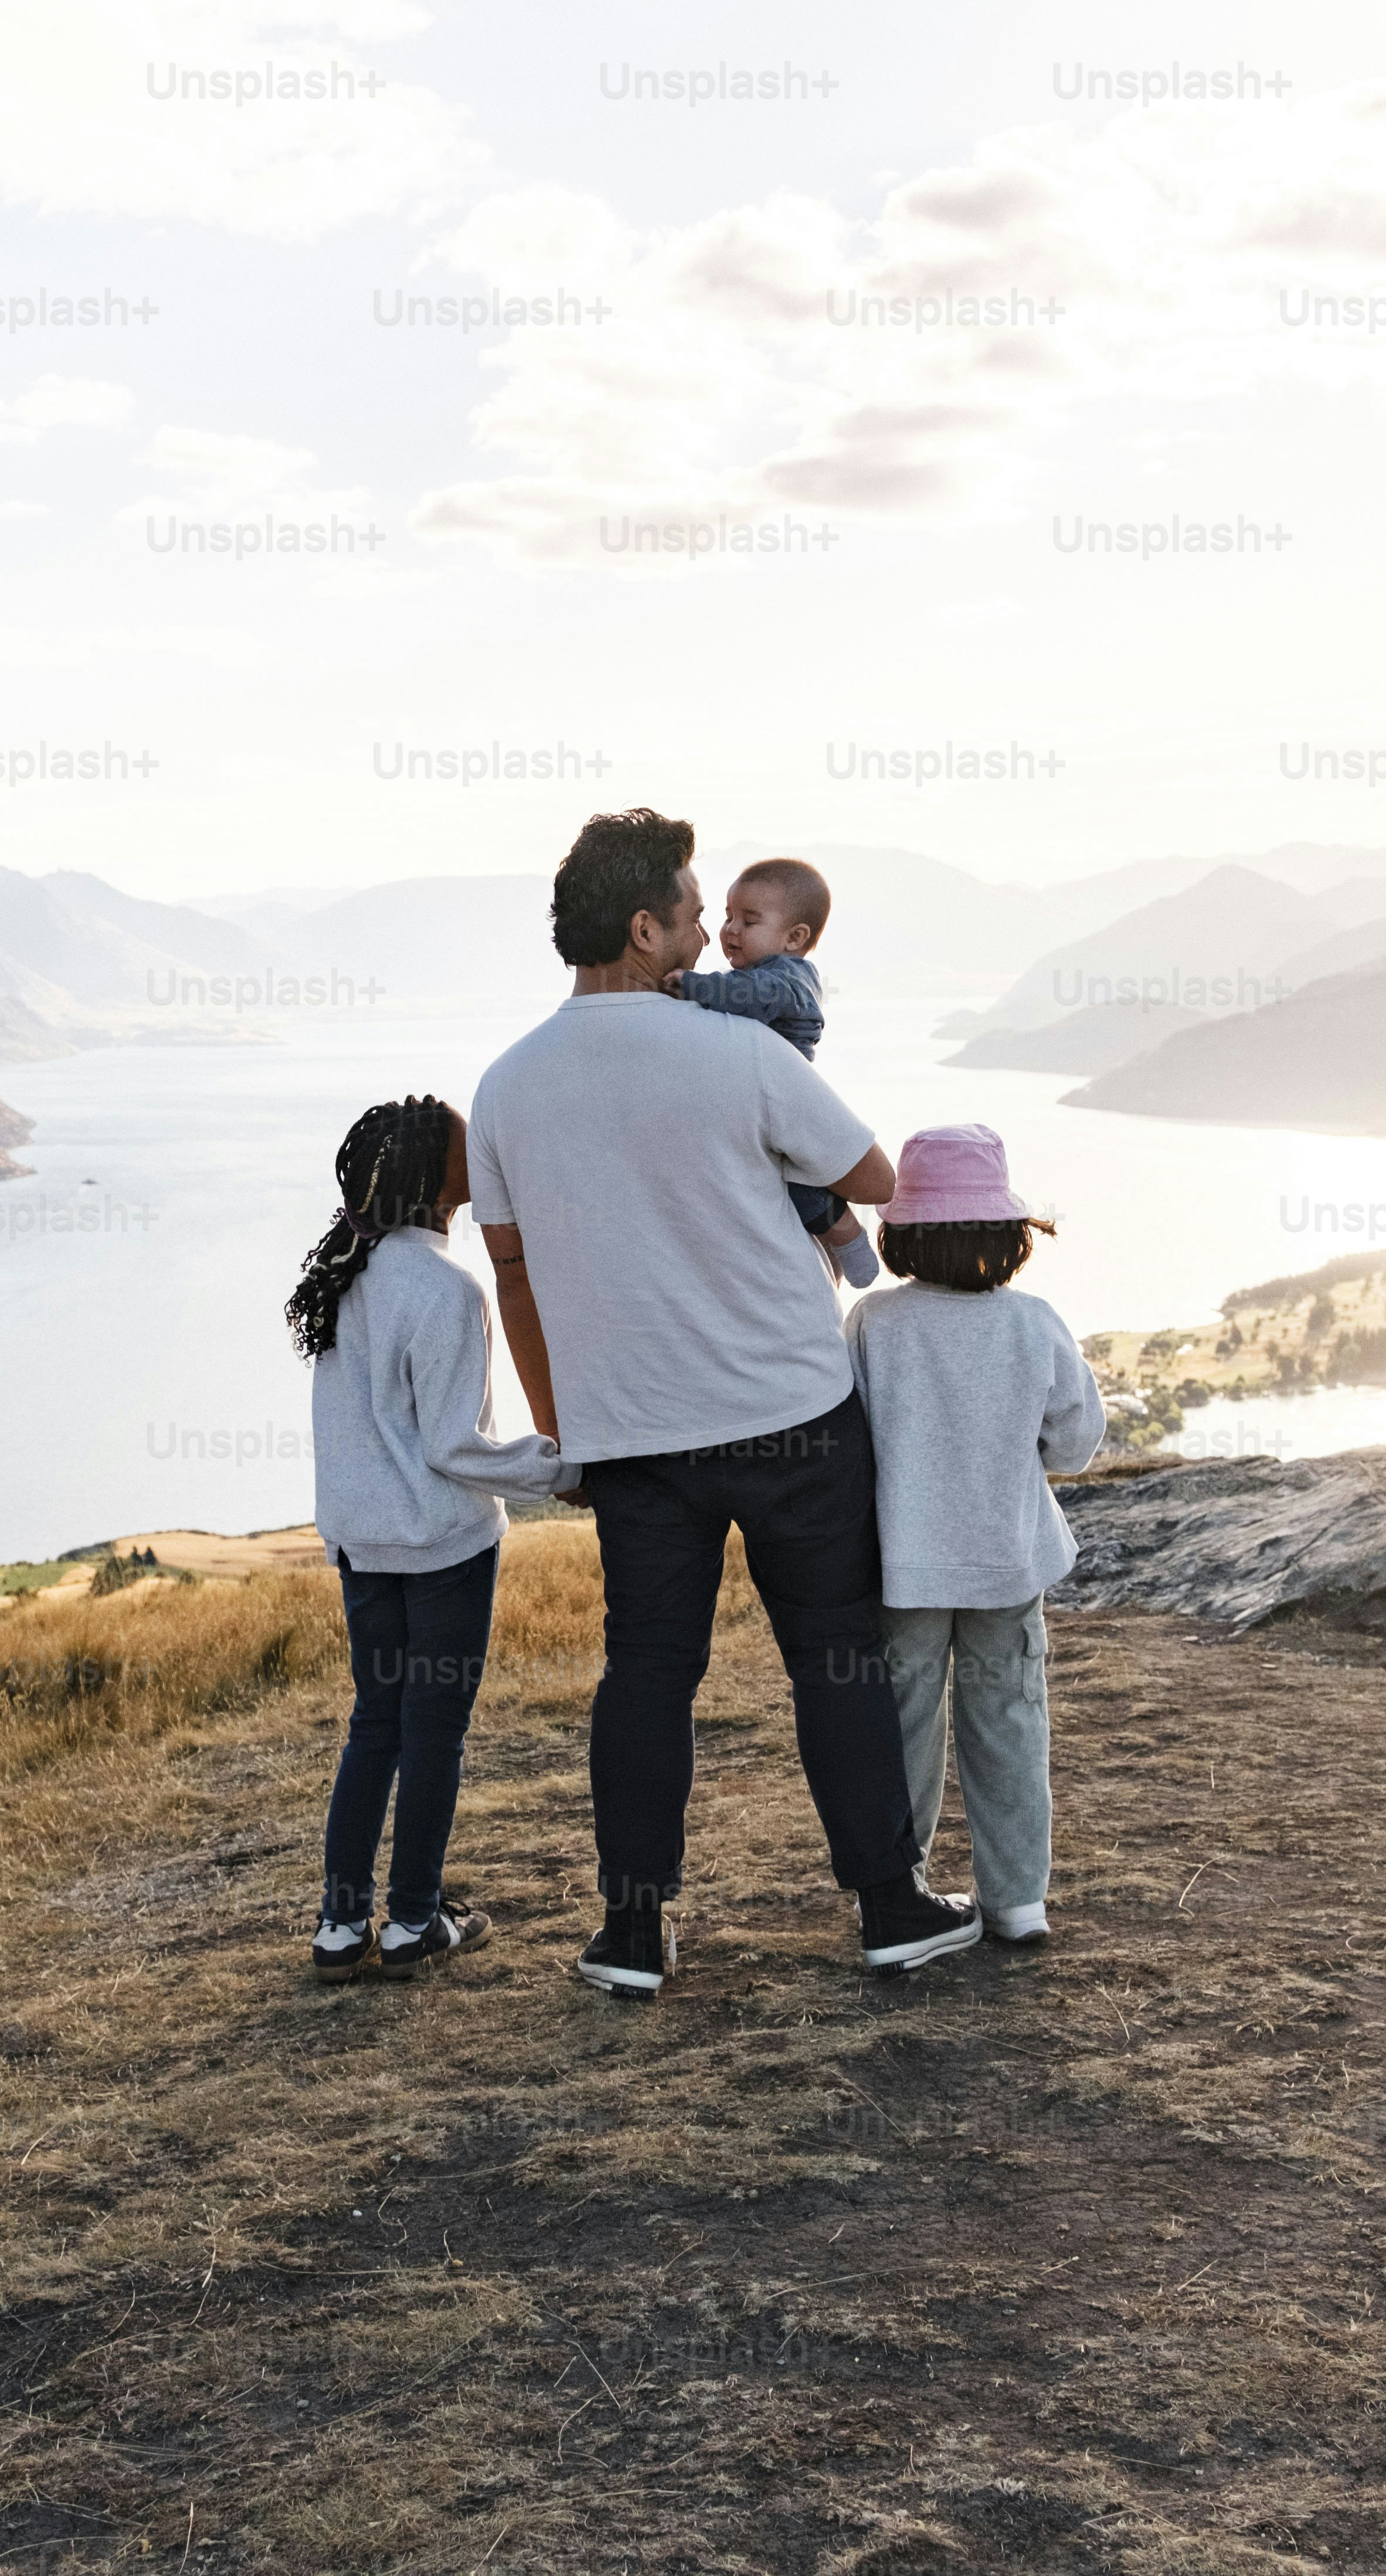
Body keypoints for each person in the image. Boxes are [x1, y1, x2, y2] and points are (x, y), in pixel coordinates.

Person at [464, 807, 983, 2000]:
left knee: (646, 1672)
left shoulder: (505, 1087)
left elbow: (513, 1271)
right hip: (795, 1411)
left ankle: (633, 1932)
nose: (709, 933)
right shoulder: (743, 1053)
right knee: (836, 1661)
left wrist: (564, 1427)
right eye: (696, 913)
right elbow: (875, 1180)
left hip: (636, 1439)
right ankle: (891, 1906)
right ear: (646, 928)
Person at [290, 1094, 570, 1979]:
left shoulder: (344, 1279)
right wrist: (558, 1468)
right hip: (445, 1552)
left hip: (363, 1545)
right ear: (437, 1181)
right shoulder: (447, 1289)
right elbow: (455, 1450)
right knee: (434, 1734)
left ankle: (341, 1928)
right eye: (463, 1151)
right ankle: (413, 1921)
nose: (476, 1158)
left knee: (374, 1724)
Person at [846, 1124, 1105, 1950]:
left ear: (901, 1231)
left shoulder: (871, 1324)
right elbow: (1075, 1444)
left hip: (903, 1567)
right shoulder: (1035, 1323)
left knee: (904, 1731)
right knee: (1011, 1720)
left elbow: (845, 1440)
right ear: (1008, 1232)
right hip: (1008, 1561)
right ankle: (1019, 1898)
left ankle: (903, 1891)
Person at [657, 857, 883, 1289]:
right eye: (727, 917)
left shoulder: (785, 978)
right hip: (770, 1096)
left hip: (787, 1095)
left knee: (802, 1182)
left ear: (795, 937)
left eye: (749, 920)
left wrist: (691, 986)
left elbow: (749, 997)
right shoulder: (761, 973)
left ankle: (848, 1237)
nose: (730, 930)